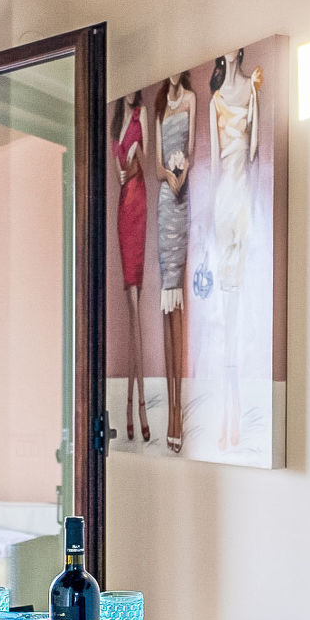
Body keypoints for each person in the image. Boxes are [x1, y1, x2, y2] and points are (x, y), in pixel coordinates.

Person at [207, 49, 261, 450]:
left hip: (242, 199)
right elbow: (213, 163)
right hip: (226, 200)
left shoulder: (250, 91)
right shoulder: (214, 101)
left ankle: (237, 415)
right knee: (226, 315)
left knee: (239, 312)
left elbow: (255, 152)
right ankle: (227, 417)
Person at [154, 73, 194, 454]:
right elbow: (156, 166)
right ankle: (169, 407)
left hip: (182, 202)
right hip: (166, 200)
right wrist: (170, 176)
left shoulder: (192, 100)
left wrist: (182, 177)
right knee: (166, 297)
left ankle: (179, 408)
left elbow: (191, 151)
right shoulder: (159, 107)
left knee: (178, 299)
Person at [111, 91, 151, 443]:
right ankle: (131, 404)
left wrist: (135, 159)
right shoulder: (115, 125)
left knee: (136, 298)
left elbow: (143, 162)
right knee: (130, 301)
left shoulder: (140, 116)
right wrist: (127, 165)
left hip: (138, 199)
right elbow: (118, 172)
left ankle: (136, 404)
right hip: (124, 205)